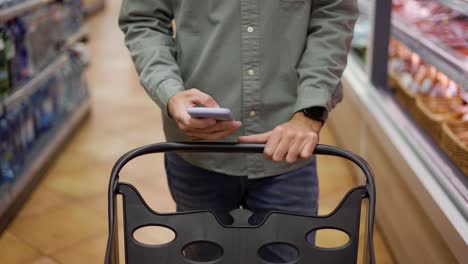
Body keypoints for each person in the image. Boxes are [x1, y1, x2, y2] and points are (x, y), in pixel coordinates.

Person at [119, 0, 358, 262]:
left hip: (287, 152)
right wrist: (169, 91)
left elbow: (333, 15)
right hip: (197, 154)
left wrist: (310, 112)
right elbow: (143, 20)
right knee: (204, 257)